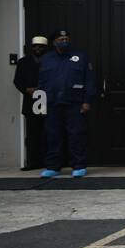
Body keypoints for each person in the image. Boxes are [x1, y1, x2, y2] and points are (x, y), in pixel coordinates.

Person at [37, 29, 97, 178]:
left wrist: (87, 101)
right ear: (54, 42)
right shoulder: (46, 58)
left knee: (76, 134)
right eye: (61, 39)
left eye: (66, 38)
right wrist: (41, 103)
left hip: (74, 103)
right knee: (53, 135)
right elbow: (42, 82)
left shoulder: (80, 56)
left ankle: (79, 165)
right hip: (52, 103)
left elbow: (89, 80)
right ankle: (53, 166)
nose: (64, 41)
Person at [13, 36, 48, 170]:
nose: (37, 48)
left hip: (49, 101)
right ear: (31, 47)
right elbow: (17, 81)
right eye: (35, 46)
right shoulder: (23, 62)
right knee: (33, 134)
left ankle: (49, 162)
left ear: (45, 48)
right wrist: (27, 90)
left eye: (41, 46)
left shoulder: (51, 61)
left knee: (49, 132)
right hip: (31, 101)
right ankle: (33, 162)